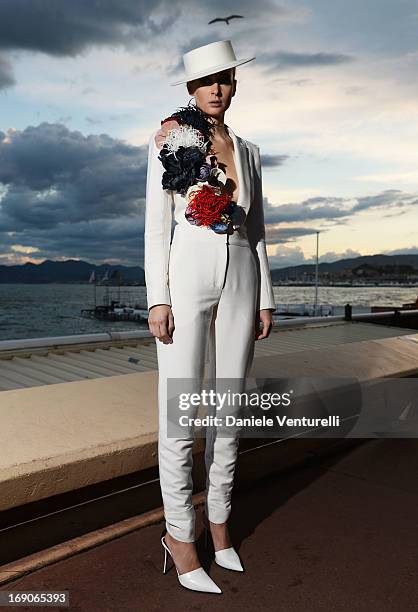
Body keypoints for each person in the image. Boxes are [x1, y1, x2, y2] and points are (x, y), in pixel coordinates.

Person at [144, 40, 276, 594]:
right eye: (207, 81)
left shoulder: (248, 149)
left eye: (225, 79)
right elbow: (157, 223)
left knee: (229, 408)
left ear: (235, 84)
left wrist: (266, 294)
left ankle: (220, 531)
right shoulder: (172, 138)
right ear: (191, 88)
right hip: (187, 273)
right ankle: (180, 538)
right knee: (181, 413)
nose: (218, 88)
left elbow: (260, 227)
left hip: (243, 274)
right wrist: (158, 295)